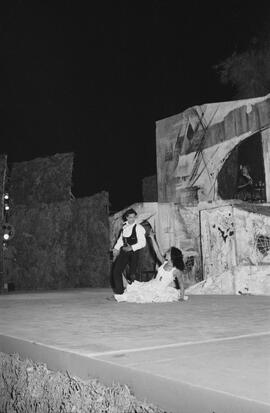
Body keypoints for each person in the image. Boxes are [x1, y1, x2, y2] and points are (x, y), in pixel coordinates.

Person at [114, 246, 189, 303]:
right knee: (136, 287)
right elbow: (156, 251)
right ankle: (120, 274)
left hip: (159, 290)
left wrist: (182, 297)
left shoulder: (176, 271)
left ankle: (121, 283)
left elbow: (181, 284)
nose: (166, 253)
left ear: (172, 256)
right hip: (152, 283)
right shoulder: (164, 262)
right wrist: (152, 238)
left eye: (168, 252)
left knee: (139, 293)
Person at [111, 208, 146, 295]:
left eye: (134, 217)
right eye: (130, 217)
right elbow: (120, 240)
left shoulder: (138, 228)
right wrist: (116, 249)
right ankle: (119, 294)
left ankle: (135, 294)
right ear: (126, 217)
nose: (132, 219)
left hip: (134, 252)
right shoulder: (124, 227)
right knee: (116, 271)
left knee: (133, 274)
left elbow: (143, 243)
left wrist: (132, 248)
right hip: (124, 251)